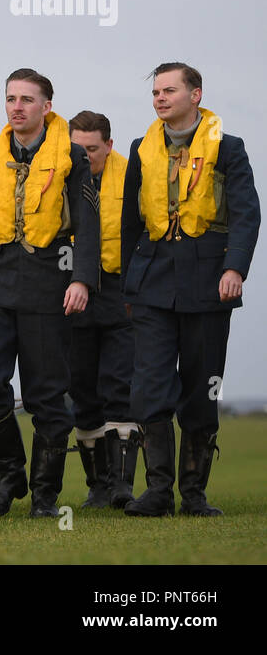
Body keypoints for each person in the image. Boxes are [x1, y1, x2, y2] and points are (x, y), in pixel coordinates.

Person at [0, 68, 100, 518]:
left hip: (48, 285)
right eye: (11, 99)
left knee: (46, 395)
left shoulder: (72, 155)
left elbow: (89, 225)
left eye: (27, 100)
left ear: (46, 107)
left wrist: (82, 278)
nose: (17, 107)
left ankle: (45, 496)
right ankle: (10, 474)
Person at [121, 62, 259, 517]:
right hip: (152, 284)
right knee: (149, 387)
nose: (159, 98)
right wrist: (127, 284)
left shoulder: (230, 148)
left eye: (169, 90)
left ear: (195, 95)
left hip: (209, 283)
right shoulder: (141, 148)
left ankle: (194, 495)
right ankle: (157, 492)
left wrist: (234, 268)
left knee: (202, 389)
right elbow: (129, 224)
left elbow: (246, 214)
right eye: (156, 91)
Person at [66, 111, 139, 509]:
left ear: (109, 145)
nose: (85, 156)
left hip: (120, 291)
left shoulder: (133, 175)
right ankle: (97, 486)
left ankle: (122, 486)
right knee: (83, 392)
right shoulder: (60, 175)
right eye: (78, 148)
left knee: (120, 388)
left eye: (92, 149)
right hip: (73, 292)